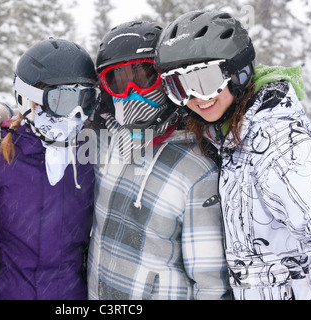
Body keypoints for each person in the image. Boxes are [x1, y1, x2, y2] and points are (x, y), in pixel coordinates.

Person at [156, 9, 311, 300]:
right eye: (180, 86)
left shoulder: (279, 145)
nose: (196, 97)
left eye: (205, 79)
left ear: (238, 71)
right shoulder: (229, 137)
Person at [87, 20, 231, 300]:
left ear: (166, 80)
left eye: (143, 76)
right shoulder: (104, 144)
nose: (131, 91)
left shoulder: (196, 169)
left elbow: (212, 284)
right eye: (117, 80)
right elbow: (45, 124)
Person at [0, 38, 98, 300]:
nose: (77, 114)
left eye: (86, 99)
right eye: (62, 100)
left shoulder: (89, 154)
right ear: (30, 100)